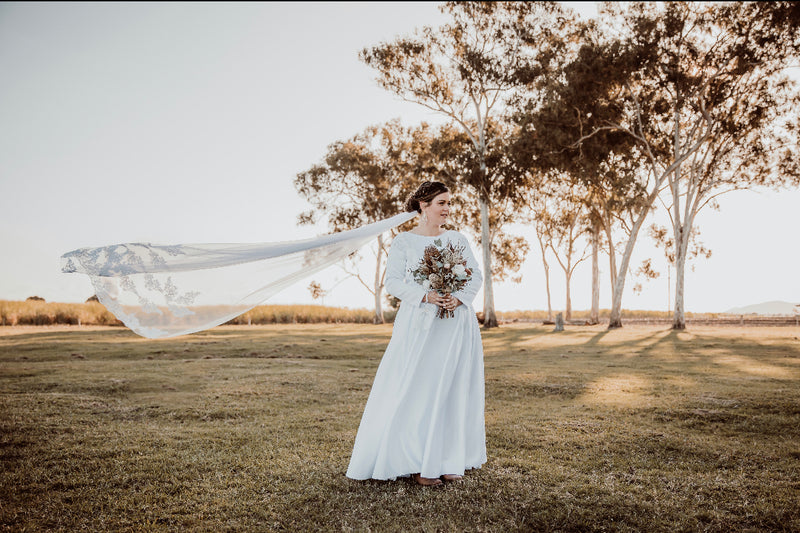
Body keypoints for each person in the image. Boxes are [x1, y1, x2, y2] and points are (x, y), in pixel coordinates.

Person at [345, 181, 486, 487]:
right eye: (441, 203)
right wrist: (426, 296)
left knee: (453, 387)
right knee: (420, 388)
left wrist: (459, 297)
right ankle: (417, 462)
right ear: (424, 205)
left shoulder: (458, 239)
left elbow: (476, 275)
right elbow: (394, 282)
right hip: (421, 324)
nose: (447, 208)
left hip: (456, 323)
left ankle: (450, 459)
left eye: (449, 203)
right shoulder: (403, 242)